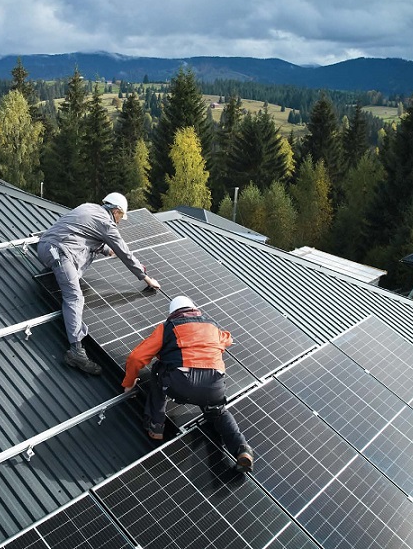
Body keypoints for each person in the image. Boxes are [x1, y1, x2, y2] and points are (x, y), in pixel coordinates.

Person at [122, 295, 254, 471]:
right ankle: (242, 449)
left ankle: (156, 425)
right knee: (219, 412)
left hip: (182, 384)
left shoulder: (167, 327)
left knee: (157, 369)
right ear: (193, 309)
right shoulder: (212, 326)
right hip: (213, 387)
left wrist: (129, 382)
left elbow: (136, 357)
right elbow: (228, 339)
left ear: (173, 313)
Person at [38, 193, 161, 375]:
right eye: (120, 216)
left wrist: (105, 249)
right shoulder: (106, 223)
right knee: (74, 296)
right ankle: (76, 352)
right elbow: (125, 253)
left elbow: (81, 232)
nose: (119, 221)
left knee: (76, 279)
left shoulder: (89, 207)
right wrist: (145, 277)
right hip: (58, 251)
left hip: (50, 247)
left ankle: (76, 346)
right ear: (116, 211)